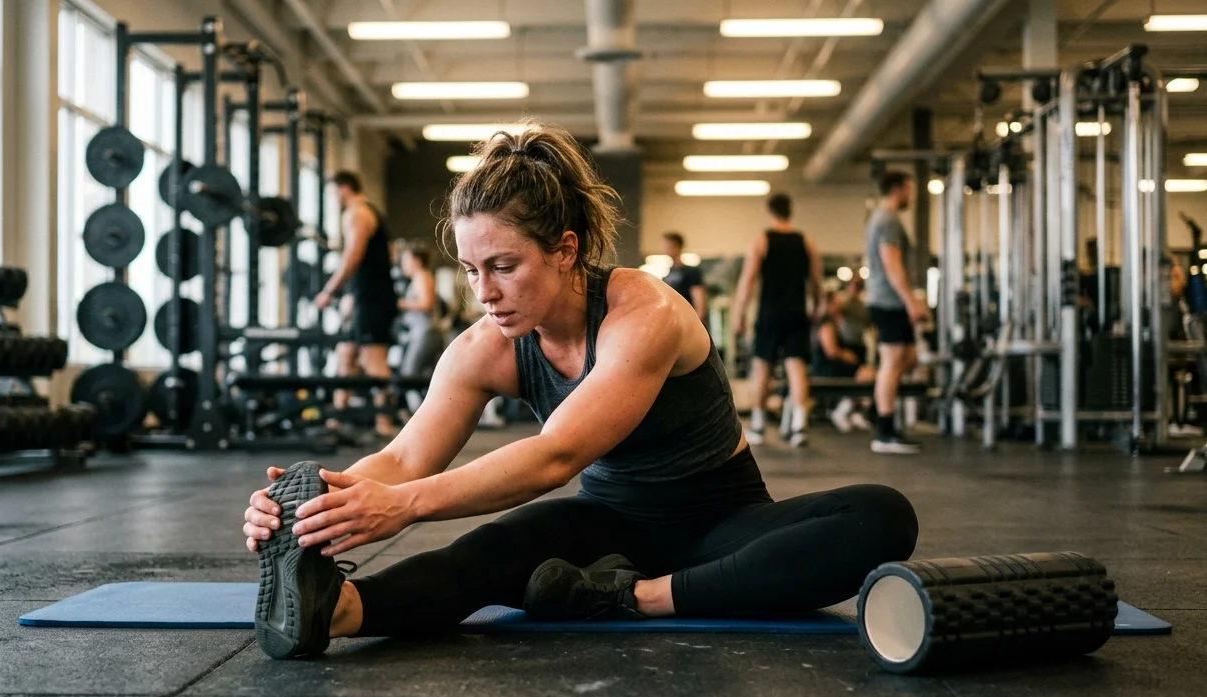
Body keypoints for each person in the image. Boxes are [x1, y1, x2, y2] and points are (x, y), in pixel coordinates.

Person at [240, 123, 918, 659]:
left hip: (724, 525)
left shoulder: (641, 312)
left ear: (565, 250)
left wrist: (405, 505)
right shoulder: (485, 347)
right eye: (472, 270)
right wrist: (316, 509)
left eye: (505, 266)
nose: (486, 292)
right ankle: (343, 611)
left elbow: (556, 456)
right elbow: (405, 459)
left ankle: (637, 598)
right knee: (490, 552)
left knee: (881, 517)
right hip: (606, 526)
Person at [731, 193, 822, 448]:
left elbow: (747, 281)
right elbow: (816, 281)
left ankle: (758, 425)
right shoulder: (806, 242)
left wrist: (739, 315)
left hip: (769, 313)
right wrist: (816, 307)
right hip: (796, 313)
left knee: (762, 368)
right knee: (797, 368)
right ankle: (799, 426)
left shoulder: (761, 240)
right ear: (790, 211)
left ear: (769, 212)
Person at [316, 170, 398, 438]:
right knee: (346, 354)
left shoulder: (358, 213)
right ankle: (336, 420)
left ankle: (384, 423)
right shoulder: (366, 211)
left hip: (372, 297)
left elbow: (353, 256)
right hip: (364, 295)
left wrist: (330, 289)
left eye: (333, 192)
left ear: (343, 189)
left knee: (373, 361)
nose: (333, 199)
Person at [864, 171, 927, 454]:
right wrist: (911, 301)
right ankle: (884, 432)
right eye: (909, 189)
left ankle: (878, 411)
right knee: (892, 361)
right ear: (897, 189)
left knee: (908, 358)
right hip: (889, 301)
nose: (911, 195)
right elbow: (893, 267)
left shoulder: (882, 218)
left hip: (888, 300)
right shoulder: (887, 220)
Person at [812, 291, 876, 433]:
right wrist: (845, 354)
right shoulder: (826, 324)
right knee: (868, 375)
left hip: (834, 367)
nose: (841, 304)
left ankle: (854, 411)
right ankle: (844, 411)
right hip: (826, 369)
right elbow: (831, 351)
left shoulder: (840, 322)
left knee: (867, 375)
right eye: (836, 302)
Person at [395, 245, 444, 415]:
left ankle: (419, 416)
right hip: (425, 332)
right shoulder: (420, 277)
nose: (403, 264)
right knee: (430, 376)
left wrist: (400, 303)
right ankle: (430, 414)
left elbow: (426, 303)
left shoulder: (421, 276)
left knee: (409, 374)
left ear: (416, 261)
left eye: (406, 260)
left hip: (426, 332)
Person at [659, 232, 706, 321]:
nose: (664, 249)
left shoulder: (691, 272)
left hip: (687, 320)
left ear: (676, 247)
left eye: (667, 246)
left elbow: (699, 302)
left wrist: (696, 323)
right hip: (674, 320)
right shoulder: (668, 274)